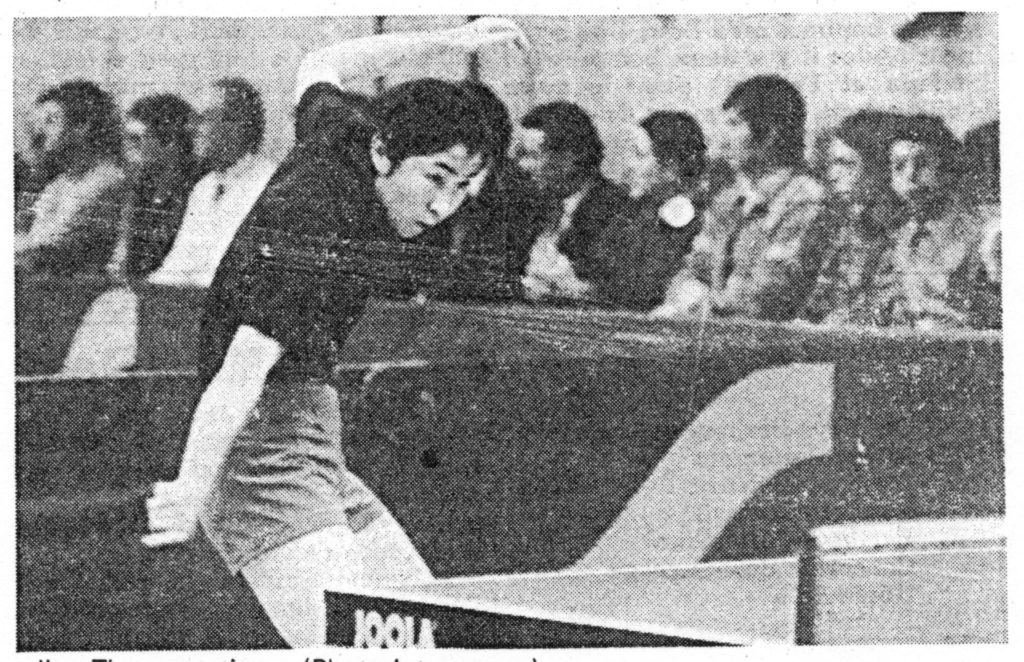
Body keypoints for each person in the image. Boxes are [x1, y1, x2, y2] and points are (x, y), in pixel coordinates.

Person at [142, 19, 528, 648]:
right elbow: (241, 371)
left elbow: (323, 62)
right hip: (260, 451)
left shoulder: (342, 134)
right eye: (434, 178)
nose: (443, 206)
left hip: (317, 441)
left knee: (426, 633)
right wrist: (191, 486)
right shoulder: (315, 223)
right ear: (384, 155)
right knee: (352, 647)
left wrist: (450, 41)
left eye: (463, 188)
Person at [652, 75, 828, 322]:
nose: (722, 141)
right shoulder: (728, 201)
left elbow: (769, 298)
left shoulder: (806, 202)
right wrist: (685, 293)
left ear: (770, 133)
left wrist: (700, 306)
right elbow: (693, 269)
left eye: (734, 124)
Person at [147, 78, 277, 288]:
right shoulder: (204, 187)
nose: (192, 128)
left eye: (204, 118)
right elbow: (177, 265)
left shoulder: (268, 186)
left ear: (237, 125)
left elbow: (231, 277)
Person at [590, 111, 709, 311]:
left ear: (671, 166)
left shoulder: (687, 217)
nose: (629, 165)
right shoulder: (635, 209)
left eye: (639, 155)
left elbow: (646, 288)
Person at [514, 101, 629, 301]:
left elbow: (608, 289)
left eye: (532, 156)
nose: (521, 165)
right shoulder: (530, 205)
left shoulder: (617, 210)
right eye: (519, 155)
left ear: (570, 159)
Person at [800, 110, 907, 325]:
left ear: (877, 169)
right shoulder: (845, 226)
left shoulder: (902, 232)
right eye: (832, 163)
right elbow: (819, 299)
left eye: (845, 164)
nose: (833, 175)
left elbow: (886, 310)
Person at [883, 114, 987, 331]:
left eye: (922, 164)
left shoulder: (978, 233)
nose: (910, 175)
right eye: (899, 166)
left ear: (947, 170)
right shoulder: (897, 234)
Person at [14, 80, 124, 274]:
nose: (40, 132)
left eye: (50, 121)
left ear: (82, 125)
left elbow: (47, 246)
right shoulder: (60, 183)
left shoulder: (107, 180)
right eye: (39, 123)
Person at [107, 93, 201, 279]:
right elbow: (122, 257)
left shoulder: (196, 190)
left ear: (170, 141)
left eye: (135, 139)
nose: (126, 147)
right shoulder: (141, 185)